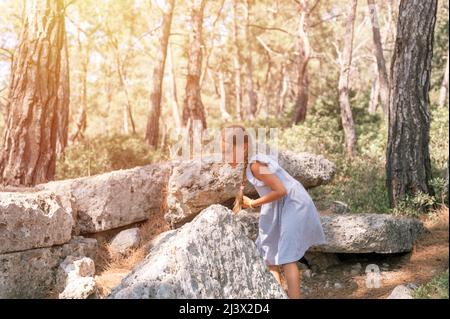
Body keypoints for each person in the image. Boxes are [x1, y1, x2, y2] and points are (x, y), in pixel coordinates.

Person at [221, 124, 326, 299]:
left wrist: (254, 203)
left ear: (243, 147)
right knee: (268, 253)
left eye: (228, 152)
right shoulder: (247, 165)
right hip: (278, 205)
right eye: (223, 152)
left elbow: (281, 190)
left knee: (286, 256)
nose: (225, 157)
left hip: (293, 202)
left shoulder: (257, 165)